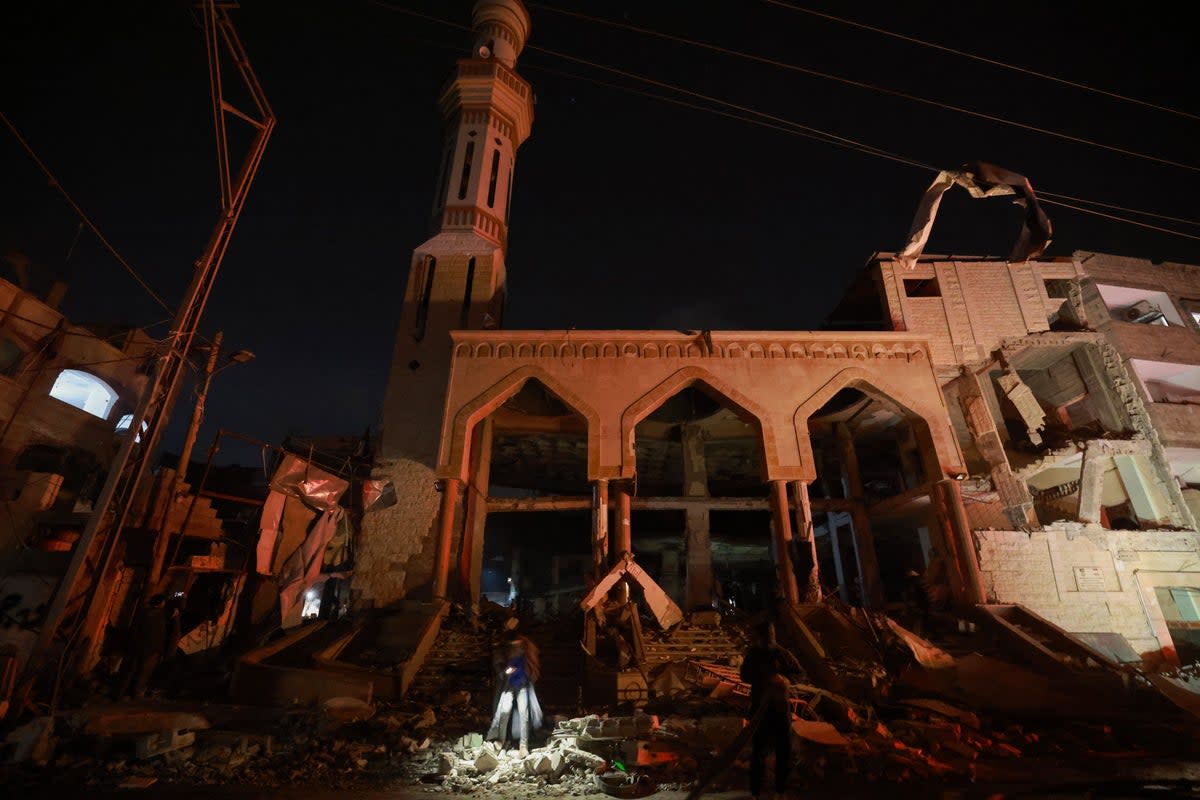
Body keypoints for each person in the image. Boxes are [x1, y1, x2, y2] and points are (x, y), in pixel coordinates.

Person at [739, 622, 799, 799]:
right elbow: (744, 676)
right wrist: (763, 679)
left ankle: (780, 791)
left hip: (780, 709)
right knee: (759, 751)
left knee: (784, 750)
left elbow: (798, 673)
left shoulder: (782, 654)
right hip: (760, 709)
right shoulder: (753, 655)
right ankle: (756, 792)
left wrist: (784, 680)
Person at [486, 617, 543, 756]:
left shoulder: (525, 648)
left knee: (524, 713)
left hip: (522, 685)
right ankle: (500, 740)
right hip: (509, 685)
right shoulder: (504, 648)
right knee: (504, 711)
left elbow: (531, 665)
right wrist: (505, 672)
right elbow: (500, 665)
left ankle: (524, 745)